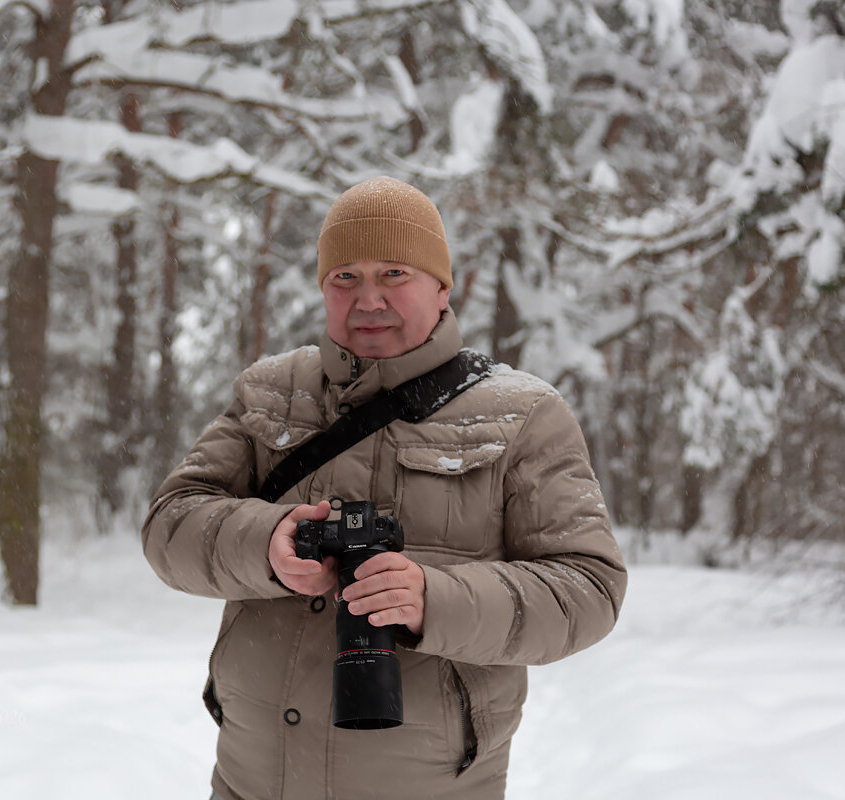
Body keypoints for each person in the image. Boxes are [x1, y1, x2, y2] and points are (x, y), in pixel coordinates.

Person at [142, 176, 627, 800]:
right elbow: (170, 524)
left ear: (443, 285)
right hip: (251, 780)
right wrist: (265, 541)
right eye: (345, 277)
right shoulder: (270, 391)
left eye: (394, 273)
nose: (368, 299)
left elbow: (588, 587)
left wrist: (433, 599)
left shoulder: (522, 414)